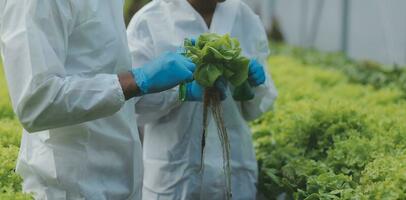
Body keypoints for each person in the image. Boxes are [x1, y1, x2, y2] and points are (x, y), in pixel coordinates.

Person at [0, 1, 195, 199]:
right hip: (68, 186)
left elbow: (111, 91)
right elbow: (36, 103)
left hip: (120, 182)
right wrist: (137, 79)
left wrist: (178, 90)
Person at [127, 0, 278, 199]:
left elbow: (257, 109)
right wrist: (181, 93)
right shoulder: (150, 20)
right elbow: (134, 108)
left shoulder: (244, 16)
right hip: (175, 179)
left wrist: (255, 85)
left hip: (235, 175)